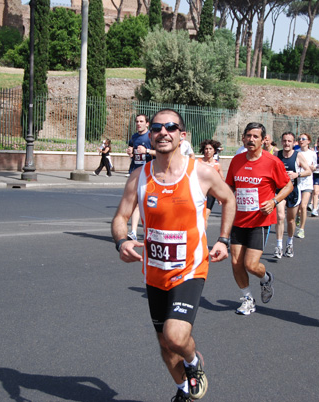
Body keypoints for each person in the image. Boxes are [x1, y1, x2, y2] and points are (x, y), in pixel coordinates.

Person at [111, 109, 235, 402]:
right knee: (165, 347)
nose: (163, 132)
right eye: (157, 128)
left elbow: (228, 198)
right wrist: (121, 241)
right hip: (154, 272)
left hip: (190, 268)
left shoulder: (201, 172)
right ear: (150, 135)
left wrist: (224, 240)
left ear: (182, 135)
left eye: (171, 127)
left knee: (175, 337)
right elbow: (120, 217)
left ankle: (194, 363)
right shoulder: (139, 177)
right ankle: (184, 389)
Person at [225, 122, 293, 315]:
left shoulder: (272, 162)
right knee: (236, 263)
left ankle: (265, 278)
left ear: (263, 140)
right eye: (248, 136)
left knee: (251, 265)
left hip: (260, 221)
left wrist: (274, 201)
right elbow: (230, 185)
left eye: (255, 136)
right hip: (238, 219)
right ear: (243, 138)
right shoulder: (237, 160)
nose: (251, 140)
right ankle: (247, 299)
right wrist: (226, 197)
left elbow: (288, 186)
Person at [273, 132, 311, 259]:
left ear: (293, 142)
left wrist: (296, 175)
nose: (286, 143)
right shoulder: (277, 154)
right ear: (281, 142)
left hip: (293, 191)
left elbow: (308, 171)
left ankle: (289, 243)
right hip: (280, 190)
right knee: (280, 216)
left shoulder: (297, 155)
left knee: (290, 220)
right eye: (284, 141)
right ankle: (278, 245)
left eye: (289, 141)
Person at [126, 114, 155, 241]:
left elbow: (159, 153)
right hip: (136, 172)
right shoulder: (134, 137)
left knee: (149, 203)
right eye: (137, 121)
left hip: (149, 173)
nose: (138, 123)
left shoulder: (151, 137)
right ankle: (133, 232)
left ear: (147, 123)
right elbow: (132, 150)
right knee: (136, 203)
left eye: (141, 121)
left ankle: (151, 230)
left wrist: (147, 151)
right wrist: (130, 152)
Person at [198, 139, 225, 228]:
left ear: (214, 151)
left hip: (211, 193)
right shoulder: (198, 162)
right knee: (198, 217)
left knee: (205, 216)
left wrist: (220, 195)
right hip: (199, 192)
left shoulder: (217, 165)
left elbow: (221, 180)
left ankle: (202, 237)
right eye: (206, 149)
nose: (208, 151)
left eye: (210, 149)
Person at [296, 133, 317, 239]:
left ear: (308, 141)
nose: (301, 140)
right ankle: (298, 216)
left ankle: (302, 229)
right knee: (297, 207)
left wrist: (311, 168)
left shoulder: (312, 153)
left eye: (303, 139)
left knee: (304, 206)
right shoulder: (296, 153)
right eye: (299, 139)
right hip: (297, 182)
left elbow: (314, 166)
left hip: (307, 182)